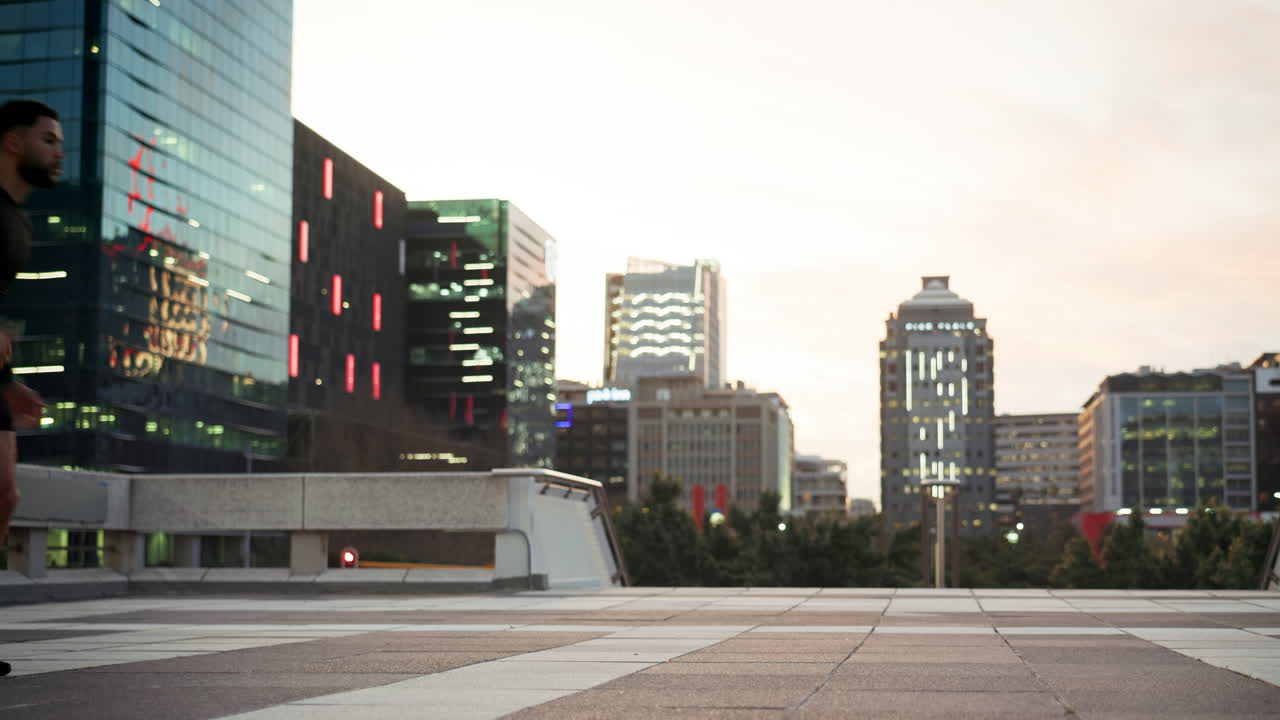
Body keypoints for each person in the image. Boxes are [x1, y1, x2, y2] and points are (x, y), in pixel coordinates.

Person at [0, 100, 61, 678]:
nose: (59, 152)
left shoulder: (18, 220)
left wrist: (11, 383)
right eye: (48, 140)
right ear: (13, 143)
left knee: (5, 495)